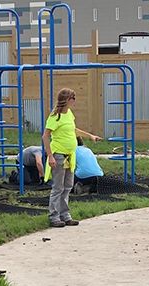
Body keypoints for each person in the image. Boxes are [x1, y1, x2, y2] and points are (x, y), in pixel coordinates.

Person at [42, 88, 102, 227]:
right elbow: (45, 136)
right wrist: (50, 156)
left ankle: (65, 215)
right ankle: (54, 216)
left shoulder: (69, 114)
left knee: (68, 186)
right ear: (67, 100)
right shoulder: (54, 117)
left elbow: (73, 130)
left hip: (70, 156)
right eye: (73, 98)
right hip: (58, 155)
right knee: (58, 187)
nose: (74, 101)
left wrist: (90, 136)